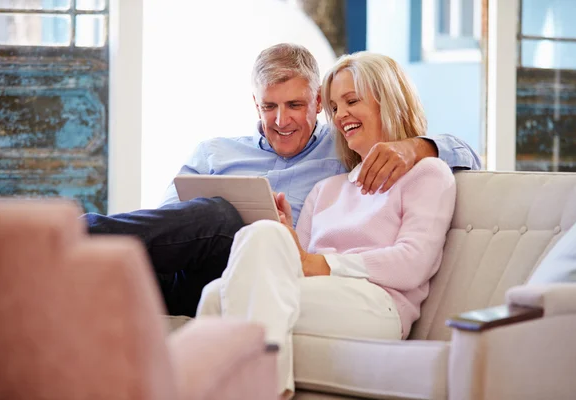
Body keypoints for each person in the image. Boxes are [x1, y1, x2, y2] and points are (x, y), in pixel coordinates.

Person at [86, 43, 479, 317]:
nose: (281, 120)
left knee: (226, 221)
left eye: (295, 105)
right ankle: (63, 260)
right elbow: (165, 231)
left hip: (266, 272)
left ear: (317, 103)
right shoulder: (214, 152)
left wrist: (416, 146)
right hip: (190, 276)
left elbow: (468, 156)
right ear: (254, 103)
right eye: (269, 106)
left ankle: (74, 233)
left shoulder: (346, 146)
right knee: (130, 266)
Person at [196, 51, 457, 398]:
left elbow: (413, 263)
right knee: (226, 280)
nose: (341, 115)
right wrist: (287, 238)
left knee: (236, 289)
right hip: (324, 294)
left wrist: (322, 263)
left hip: (380, 304)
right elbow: (300, 265)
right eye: (335, 107)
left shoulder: (426, 172)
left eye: (352, 101)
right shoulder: (328, 189)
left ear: (388, 101)